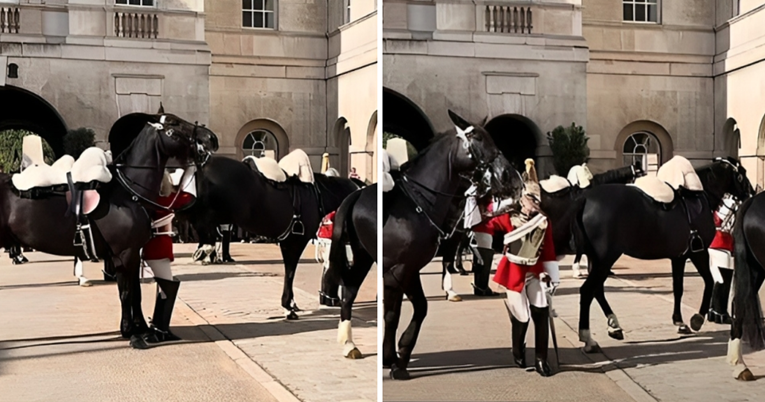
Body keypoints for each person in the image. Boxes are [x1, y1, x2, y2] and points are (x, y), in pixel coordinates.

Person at [491, 159, 560, 376]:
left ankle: (541, 359)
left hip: (536, 274)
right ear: (523, 199)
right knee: (522, 316)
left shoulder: (543, 221)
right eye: (532, 199)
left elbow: (548, 251)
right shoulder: (509, 218)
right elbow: (487, 222)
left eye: (538, 201)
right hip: (513, 274)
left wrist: (551, 276)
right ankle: (517, 349)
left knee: (541, 312)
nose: (536, 204)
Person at [141, 170, 194, 343]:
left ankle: (160, 325)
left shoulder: (149, 199)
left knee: (166, 286)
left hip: (151, 245)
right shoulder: (166, 199)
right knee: (167, 287)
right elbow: (187, 198)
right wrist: (189, 173)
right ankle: (161, 328)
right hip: (159, 246)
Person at [708, 197, 737, 324]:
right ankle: (720, 312)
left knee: (718, 280)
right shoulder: (730, 203)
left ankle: (713, 310)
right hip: (724, 243)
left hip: (713, 243)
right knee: (724, 281)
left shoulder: (715, 204)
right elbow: (729, 226)